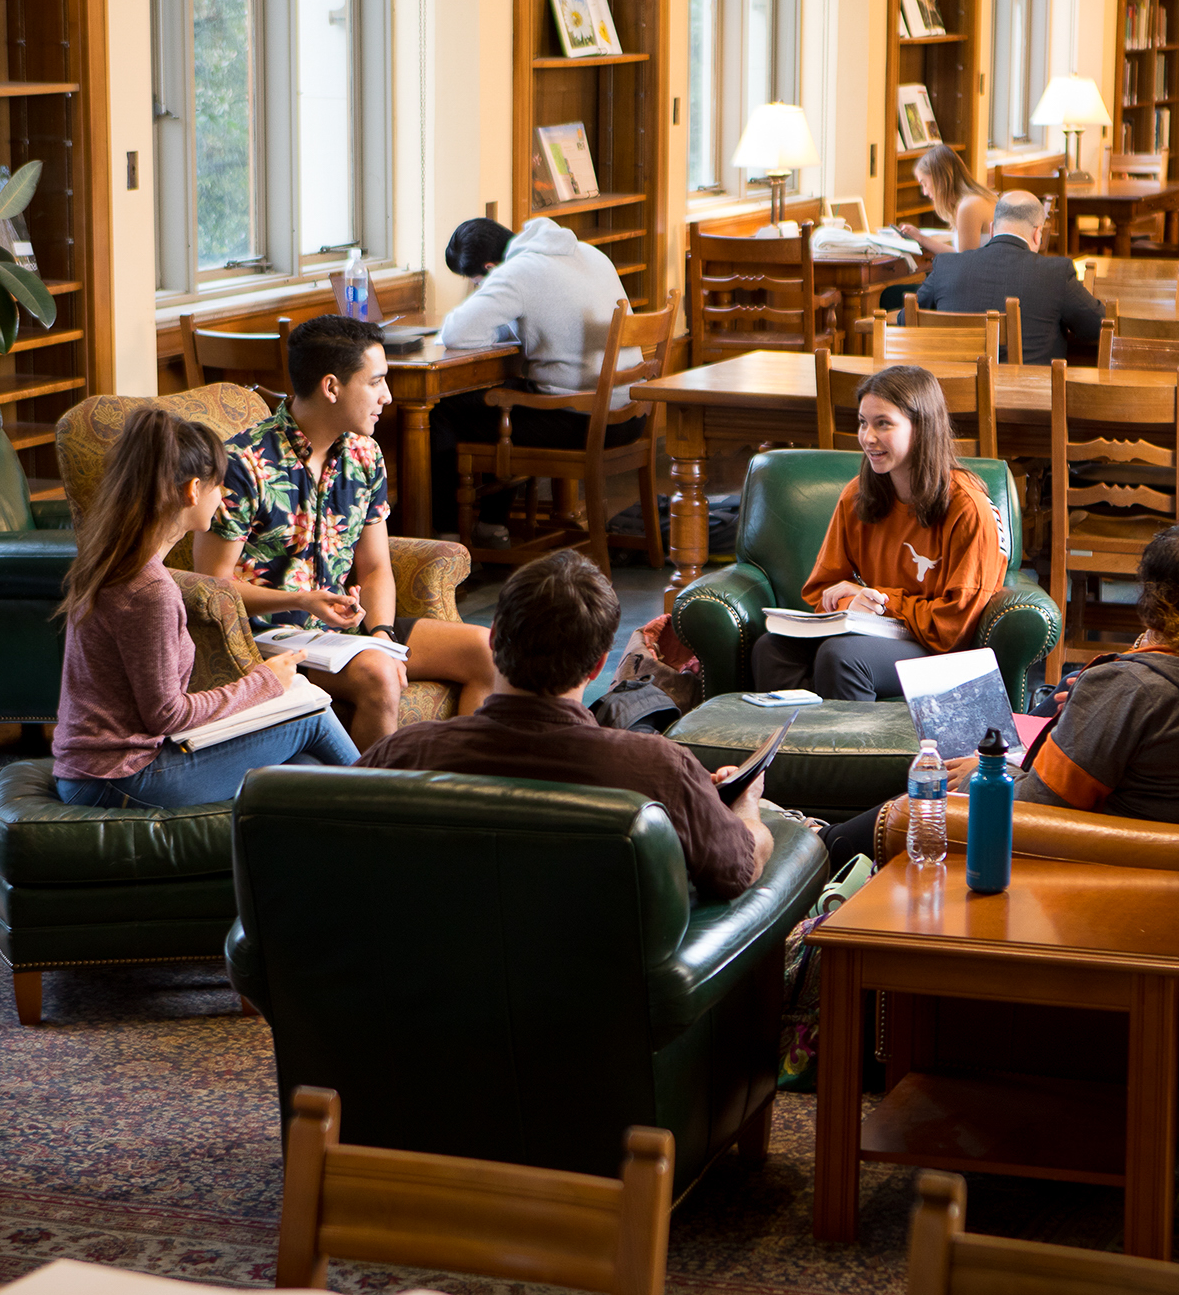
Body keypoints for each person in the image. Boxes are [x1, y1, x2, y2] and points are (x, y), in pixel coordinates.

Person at [818, 518, 1179, 869]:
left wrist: (990, 772)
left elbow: (1036, 806)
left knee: (922, 797)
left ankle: (821, 848)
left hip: (1096, 850)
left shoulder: (1132, 688)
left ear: (1154, 599)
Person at [361, 550, 774, 900]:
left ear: (492, 640)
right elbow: (737, 870)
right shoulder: (660, 768)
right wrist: (747, 804)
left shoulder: (402, 752)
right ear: (598, 666)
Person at [195, 313, 500, 751]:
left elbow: (375, 568)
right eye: (375, 382)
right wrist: (301, 600)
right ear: (332, 387)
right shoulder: (242, 465)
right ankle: (367, 812)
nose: (387, 397)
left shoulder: (365, 455)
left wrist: (381, 633)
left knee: (489, 650)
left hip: (342, 633)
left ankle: (450, 796)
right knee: (379, 674)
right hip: (264, 638)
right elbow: (211, 587)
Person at [51, 405, 359, 809]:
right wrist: (267, 682)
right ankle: (400, 816)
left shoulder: (117, 559)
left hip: (96, 770)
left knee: (301, 767)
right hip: (117, 778)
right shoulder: (151, 591)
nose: (224, 496)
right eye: (219, 485)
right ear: (193, 490)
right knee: (312, 719)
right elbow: (167, 716)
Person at [750, 364, 1010, 702]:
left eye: (883, 423)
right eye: (863, 422)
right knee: (770, 648)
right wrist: (852, 599)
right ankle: (792, 753)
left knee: (842, 657)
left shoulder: (968, 507)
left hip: (940, 651)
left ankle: (853, 754)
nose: (868, 437)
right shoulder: (857, 496)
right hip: (878, 632)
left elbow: (953, 628)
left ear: (922, 427)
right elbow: (821, 590)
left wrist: (879, 602)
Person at [431, 215, 641, 541]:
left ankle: (444, 537)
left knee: (440, 411)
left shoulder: (517, 272)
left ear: (489, 268)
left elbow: (456, 333)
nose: (477, 289)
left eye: (475, 283)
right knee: (502, 393)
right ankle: (492, 525)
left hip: (584, 421)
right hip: (631, 414)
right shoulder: (587, 252)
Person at [913, 189, 1107, 364]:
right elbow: (1097, 325)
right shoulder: (1055, 273)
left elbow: (908, 319)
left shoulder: (947, 265)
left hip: (951, 399)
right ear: (1037, 233)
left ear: (991, 230)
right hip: (1030, 399)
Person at [898, 144, 996, 257]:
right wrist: (920, 238)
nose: (924, 192)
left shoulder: (969, 206)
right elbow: (961, 253)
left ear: (938, 179)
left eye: (924, 183)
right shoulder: (974, 200)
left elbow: (964, 262)